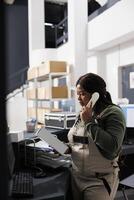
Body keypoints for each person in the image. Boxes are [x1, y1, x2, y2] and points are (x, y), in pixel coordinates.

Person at [67, 73, 126, 200]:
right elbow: (81, 141)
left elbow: (112, 146)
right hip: (76, 177)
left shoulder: (113, 112)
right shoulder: (84, 113)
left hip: (98, 181)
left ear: (95, 95)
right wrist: (65, 148)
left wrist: (89, 122)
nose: (78, 98)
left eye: (82, 94)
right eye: (77, 94)